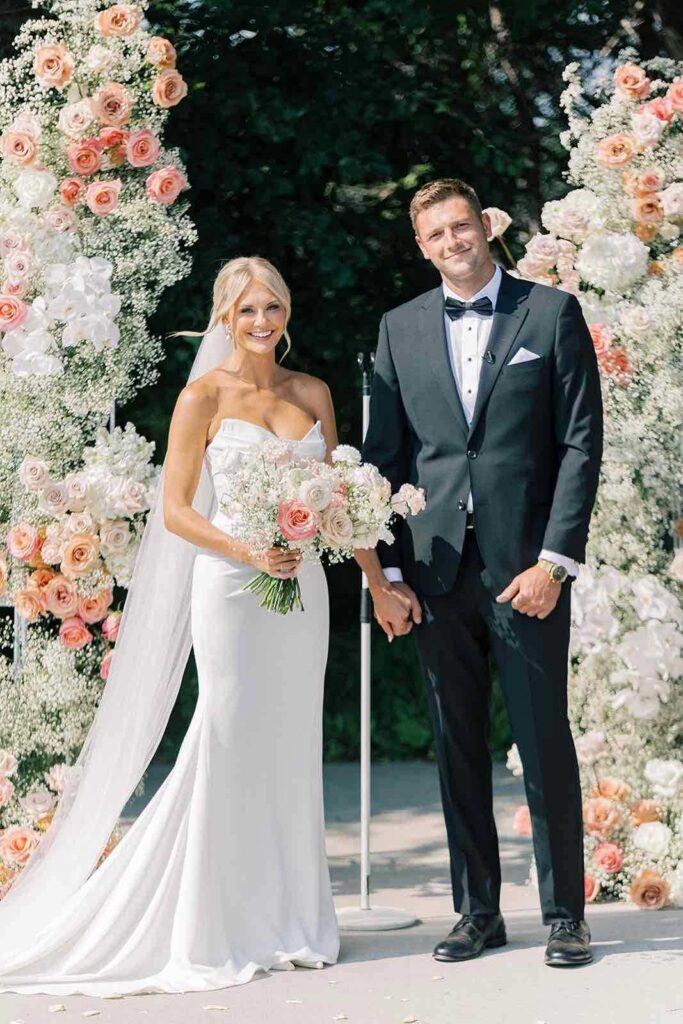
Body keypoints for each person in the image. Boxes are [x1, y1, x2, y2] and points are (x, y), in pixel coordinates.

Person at [0, 256, 340, 994]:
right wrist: (249, 547)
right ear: (223, 317)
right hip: (231, 582)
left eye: (272, 308)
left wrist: (364, 567)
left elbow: (337, 491)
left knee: (290, 740)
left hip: (303, 588)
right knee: (224, 732)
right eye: (246, 311)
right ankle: (209, 924)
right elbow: (177, 509)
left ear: (286, 313)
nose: (260, 323)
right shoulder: (202, 397)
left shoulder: (312, 391)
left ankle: (290, 919)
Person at [356, 179, 603, 968]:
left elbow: (577, 443)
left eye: (461, 226)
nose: (452, 242)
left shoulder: (549, 313)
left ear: (483, 228)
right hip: (433, 575)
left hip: (525, 572)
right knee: (454, 746)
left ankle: (566, 915)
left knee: (543, 741)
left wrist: (554, 562)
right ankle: (477, 913)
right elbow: (383, 462)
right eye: (435, 234)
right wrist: (386, 574)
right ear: (421, 246)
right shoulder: (397, 330)